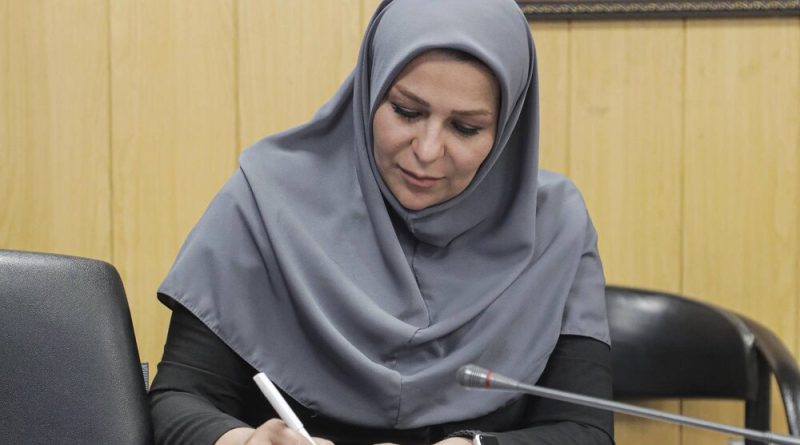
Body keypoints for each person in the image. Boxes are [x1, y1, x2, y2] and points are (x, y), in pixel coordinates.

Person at [149, 0, 614, 444]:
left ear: (508, 128)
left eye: (466, 128)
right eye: (407, 112)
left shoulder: (553, 228)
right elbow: (178, 401)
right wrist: (242, 440)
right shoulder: (265, 204)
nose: (427, 150)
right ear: (369, 92)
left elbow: (584, 431)